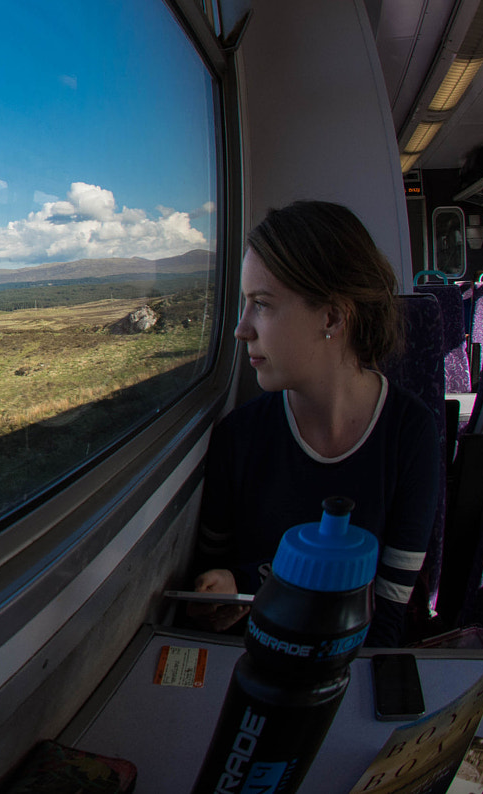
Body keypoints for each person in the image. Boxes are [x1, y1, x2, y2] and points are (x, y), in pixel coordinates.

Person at [191, 201, 441, 647]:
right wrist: (224, 589)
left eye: (262, 305)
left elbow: (387, 612)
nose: (241, 329)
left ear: (331, 317)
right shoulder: (237, 438)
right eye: (244, 305)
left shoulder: (411, 434)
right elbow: (214, 578)